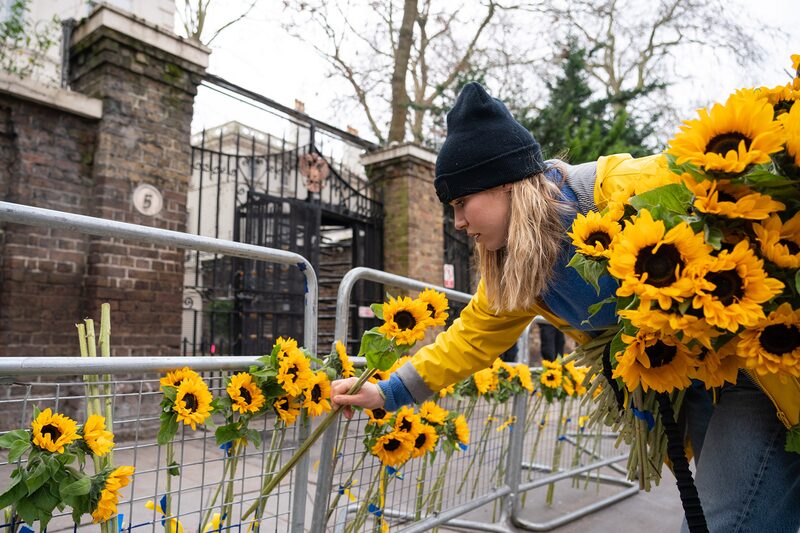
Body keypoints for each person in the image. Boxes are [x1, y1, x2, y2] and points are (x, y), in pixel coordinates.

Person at [330, 82, 800, 532]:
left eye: (461, 203)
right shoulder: (523, 267)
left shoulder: (624, 189)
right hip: (694, 382)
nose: (457, 222)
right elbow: (470, 338)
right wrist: (388, 393)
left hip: (762, 369)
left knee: (727, 520)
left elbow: (743, 180)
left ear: (505, 184)